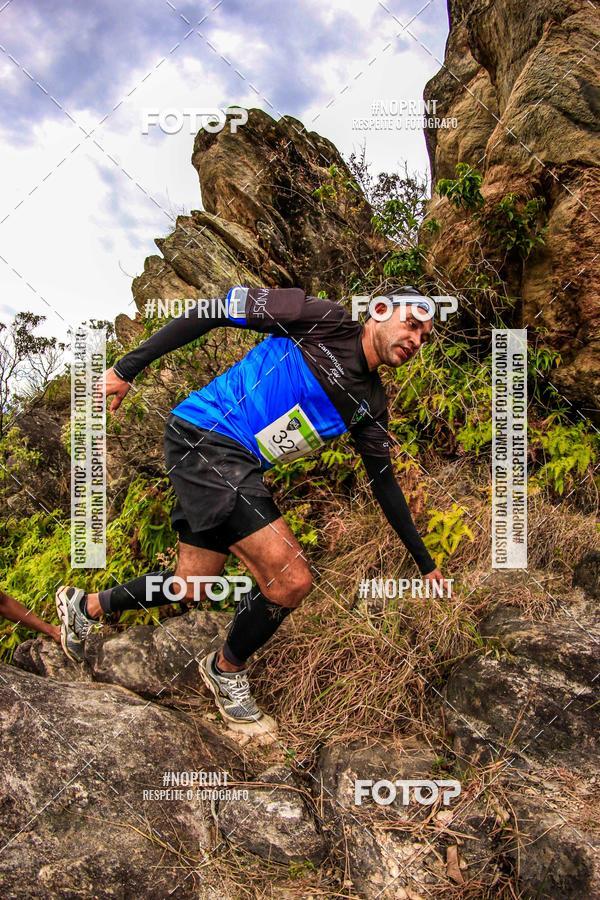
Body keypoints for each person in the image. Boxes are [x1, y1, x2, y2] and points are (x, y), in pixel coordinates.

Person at [57, 284, 450, 724]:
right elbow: (217, 308)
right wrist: (127, 367)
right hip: (208, 435)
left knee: (192, 584)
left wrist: (424, 563)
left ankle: (86, 606)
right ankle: (226, 669)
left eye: (424, 336)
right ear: (379, 311)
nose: (415, 340)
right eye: (411, 325)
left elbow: (383, 481)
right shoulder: (321, 318)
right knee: (292, 579)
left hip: (233, 459)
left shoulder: (371, 403)